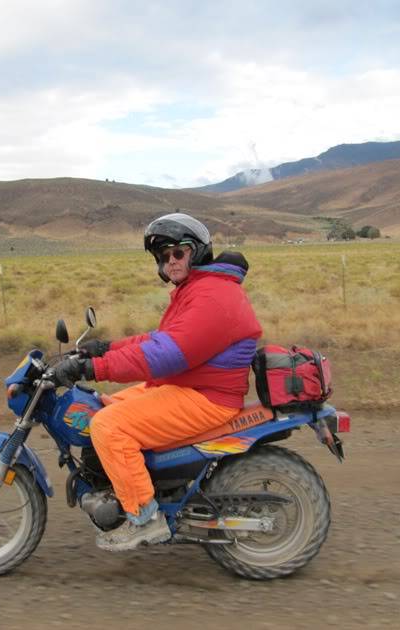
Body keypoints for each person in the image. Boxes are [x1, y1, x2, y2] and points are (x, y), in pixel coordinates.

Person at [53, 212, 262, 551]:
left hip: (206, 396)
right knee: (104, 405)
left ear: (196, 251)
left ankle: (144, 519)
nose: (171, 262)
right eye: (164, 256)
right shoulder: (200, 289)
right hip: (188, 385)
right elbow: (158, 340)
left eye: (177, 252)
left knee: (110, 426)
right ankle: (127, 485)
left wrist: (93, 368)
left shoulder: (212, 296)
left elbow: (166, 355)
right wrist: (104, 348)